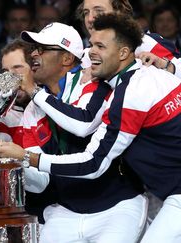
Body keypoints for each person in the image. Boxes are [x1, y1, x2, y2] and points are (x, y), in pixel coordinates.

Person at [0, 13, 181, 242]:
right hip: (163, 194)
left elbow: (92, 162)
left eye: (100, 46)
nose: (90, 53)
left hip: (133, 202)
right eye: (91, 44)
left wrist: (26, 157)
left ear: (123, 53)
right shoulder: (140, 78)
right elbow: (43, 181)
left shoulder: (128, 94)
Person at [21, 22, 146, 242]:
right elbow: (39, 182)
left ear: (67, 58)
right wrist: (11, 161)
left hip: (116, 207)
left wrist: (33, 91)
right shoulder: (33, 107)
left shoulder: (95, 81)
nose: (33, 54)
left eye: (42, 49)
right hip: (66, 209)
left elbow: (82, 124)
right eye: (33, 48)